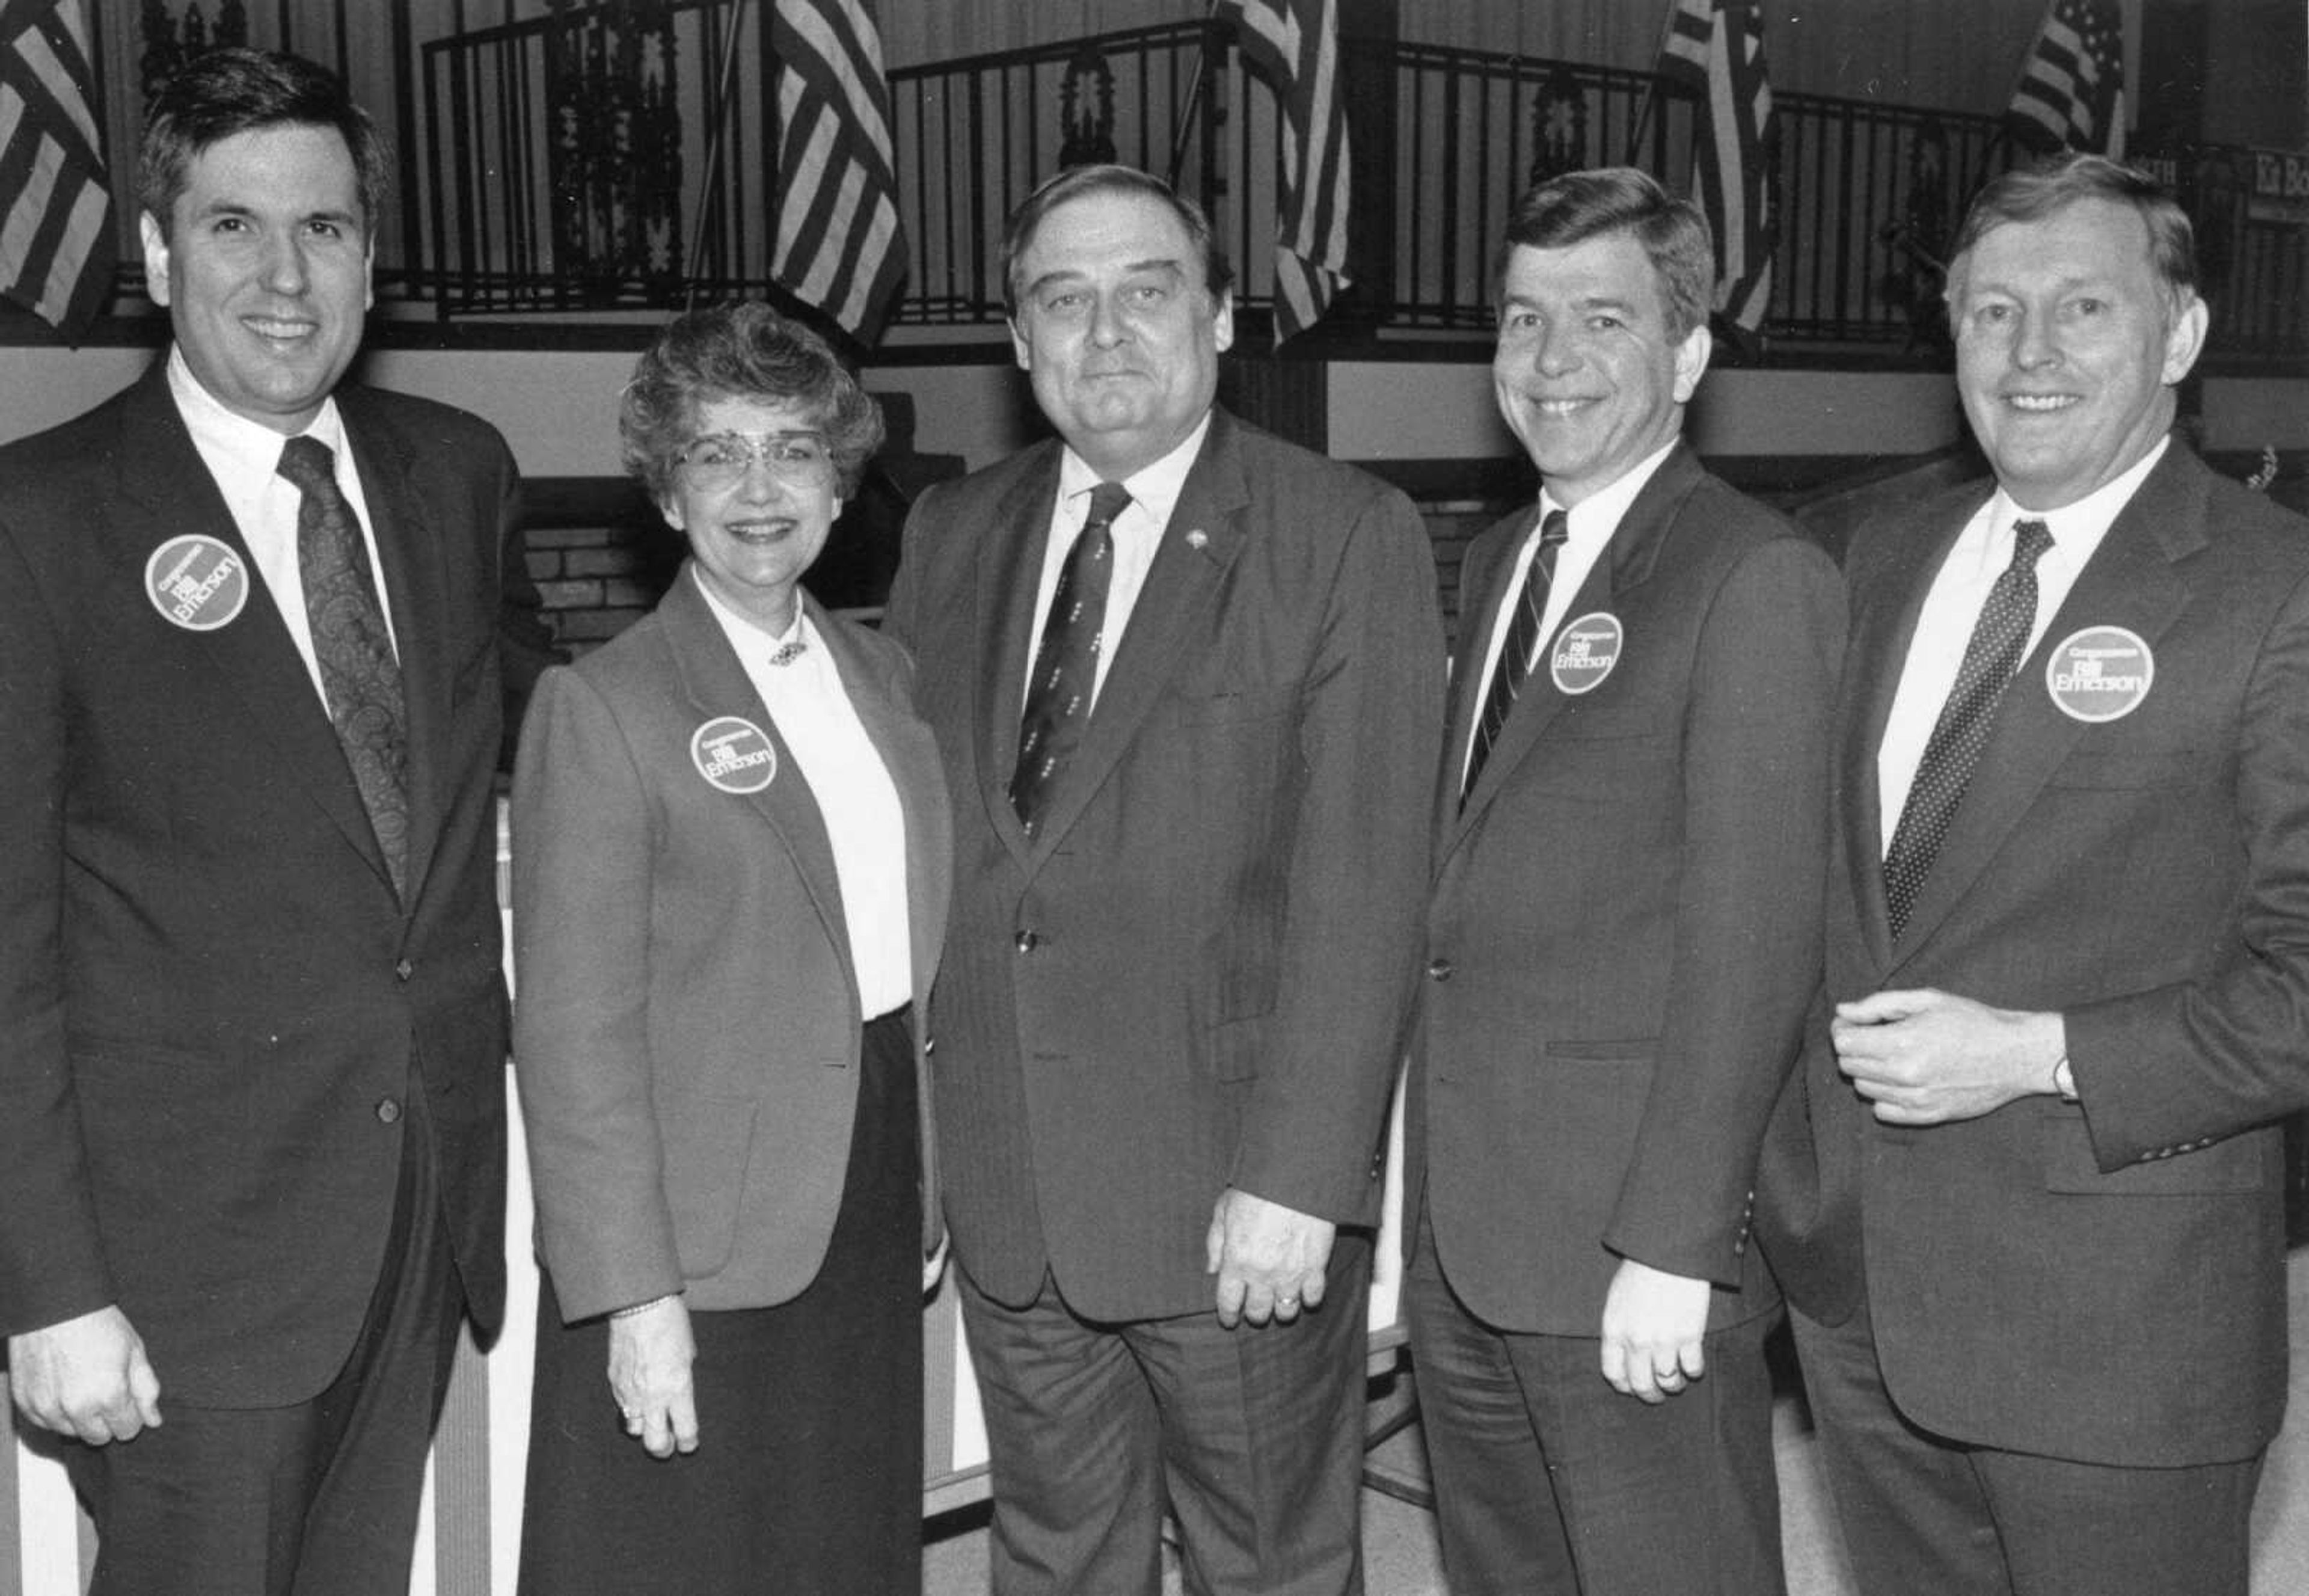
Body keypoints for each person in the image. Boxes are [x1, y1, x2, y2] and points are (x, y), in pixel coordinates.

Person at [0, 46, 536, 1595]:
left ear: (372, 253)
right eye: (235, 227)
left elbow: (554, 748)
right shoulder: (40, 522)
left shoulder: (457, 475)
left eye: (326, 227)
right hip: (182, 1266)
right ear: (160, 255)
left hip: (414, 1215)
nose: (286, 275)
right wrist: (49, 1288)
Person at [882, 164, 1442, 1596]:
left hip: (1230, 1198)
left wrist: (1302, 1175)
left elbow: (1365, 887)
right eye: (1064, 300)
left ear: (1220, 315)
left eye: (1147, 291)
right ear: (1018, 342)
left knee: (1270, 1565)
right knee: (1056, 1560)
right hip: (1018, 1199)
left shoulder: (1341, 533)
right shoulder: (953, 534)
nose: (1106, 331)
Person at [1756, 153, 2309, 1596]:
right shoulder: (1866, 555)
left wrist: (2041, 1054)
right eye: (1993, 312)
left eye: (2083, 308)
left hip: (2117, 1335)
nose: (2032, 352)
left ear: (2181, 336)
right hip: (1863, 1304)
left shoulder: (2279, 594)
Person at [1404, 167, 1841, 1596]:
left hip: (1627, 1243)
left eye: (1602, 319)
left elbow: (1756, 940)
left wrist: (1677, 1241)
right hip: (1473, 1239)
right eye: (1523, 321)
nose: (1551, 361)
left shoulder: (1749, 574)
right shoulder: (1501, 560)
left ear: (1690, 354)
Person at [510, 301, 949, 1595]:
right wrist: (633, 1296)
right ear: (667, 489)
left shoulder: (887, 678)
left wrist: (920, 1185)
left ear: (838, 477)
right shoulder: (605, 705)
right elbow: (573, 1033)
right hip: (696, 1229)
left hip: (863, 1186)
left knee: (843, 1544)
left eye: (794, 449)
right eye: (717, 453)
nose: (760, 488)